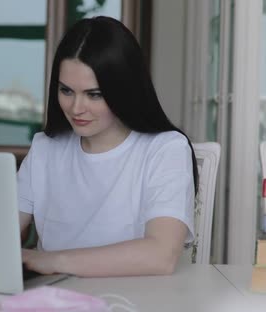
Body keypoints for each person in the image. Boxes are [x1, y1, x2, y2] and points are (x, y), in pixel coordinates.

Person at [18, 16, 198, 278]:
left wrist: (50, 260)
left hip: (134, 301)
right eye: (66, 91)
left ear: (124, 90)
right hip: (53, 300)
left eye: (94, 94)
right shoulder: (46, 148)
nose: (76, 108)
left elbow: (161, 256)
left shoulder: (165, 149)